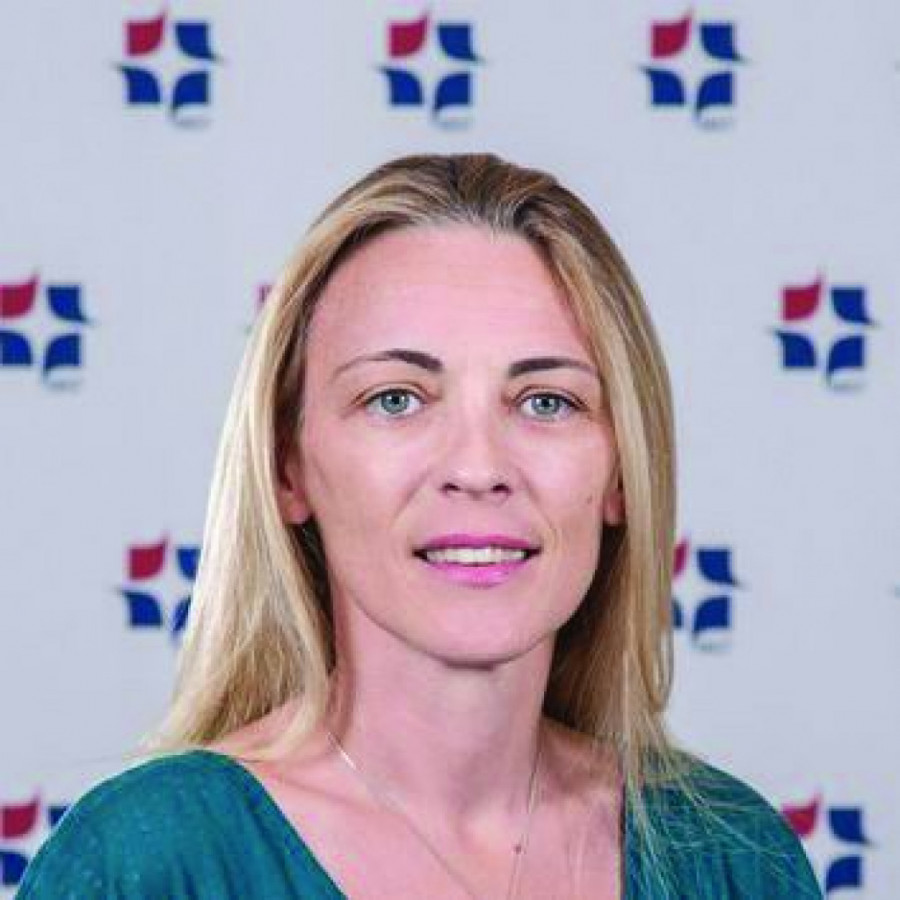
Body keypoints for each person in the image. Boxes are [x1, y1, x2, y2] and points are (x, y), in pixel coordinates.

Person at [18, 154, 822, 899]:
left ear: (620, 472)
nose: (478, 466)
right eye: (395, 399)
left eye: (547, 401)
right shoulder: (146, 864)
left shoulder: (733, 858)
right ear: (288, 468)